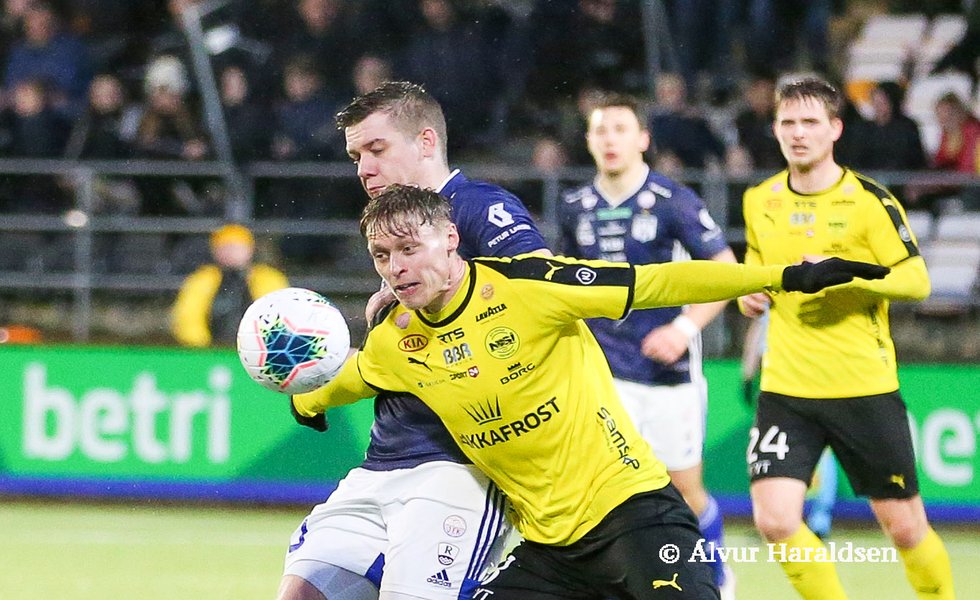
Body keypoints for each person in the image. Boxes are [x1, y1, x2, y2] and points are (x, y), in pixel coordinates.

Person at [293, 183, 888, 599]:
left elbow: (657, 282)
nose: (395, 267)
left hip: (635, 517)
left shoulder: (529, 286)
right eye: (381, 255)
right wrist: (304, 397)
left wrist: (784, 276)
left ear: (451, 238)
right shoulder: (396, 341)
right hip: (548, 552)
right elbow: (349, 377)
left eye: (409, 248)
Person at [277, 81, 551, 600]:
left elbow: (543, 300)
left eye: (377, 149)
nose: (364, 169)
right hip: (383, 460)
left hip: (460, 468)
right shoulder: (390, 228)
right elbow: (400, 360)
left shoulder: (478, 208)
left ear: (426, 142)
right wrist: (322, 375)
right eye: (356, 156)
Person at [738, 75, 955, 599]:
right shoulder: (759, 199)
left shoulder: (870, 201)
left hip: (862, 386)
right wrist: (749, 292)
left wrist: (844, 277)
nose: (798, 133)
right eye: (788, 123)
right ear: (775, 129)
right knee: (775, 520)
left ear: (835, 129)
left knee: (904, 529)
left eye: (810, 122)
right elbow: (755, 266)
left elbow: (916, 281)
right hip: (786, 388)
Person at [557, 93, 737, 597]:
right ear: (589, 141)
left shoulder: (673, 200)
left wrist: (683, 329)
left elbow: (724, 270)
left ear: (642, 139)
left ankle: (717, 578)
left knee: (684, 491)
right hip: (603, 373)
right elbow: (562, 281)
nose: (610, 139)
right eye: (600, 130)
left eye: (620, 129)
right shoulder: (574, 207)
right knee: (601, 490)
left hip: (666, 375)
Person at [171, 223, 288, 347]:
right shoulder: (202, 279)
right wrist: (202, 347)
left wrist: (265, 346)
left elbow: (281, 318)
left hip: (258, 349)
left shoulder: (269, 278)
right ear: (215, 251)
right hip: (212, 349)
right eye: (225, 247)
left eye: (237, 247)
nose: (231, 252)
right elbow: (187, 318)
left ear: (250, 249)